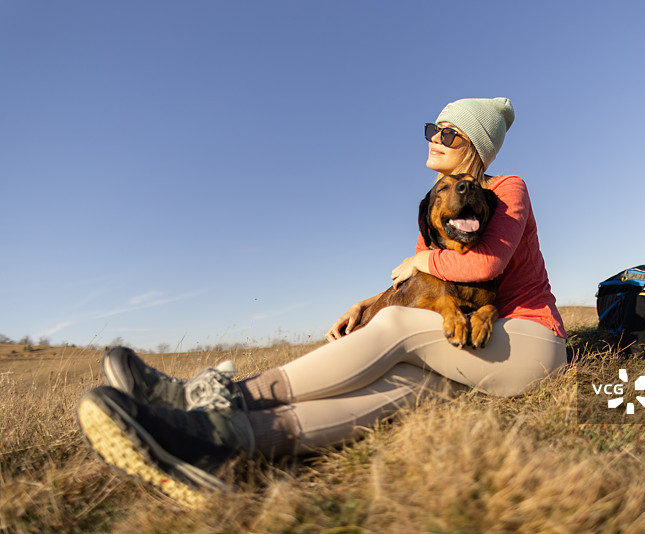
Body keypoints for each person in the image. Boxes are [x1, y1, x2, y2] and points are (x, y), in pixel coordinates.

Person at [76, 97, 568, 506]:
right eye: (432, 130)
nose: (434, 140)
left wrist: (415, 269)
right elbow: (417, 278)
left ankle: (206, 399)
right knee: (394, 388)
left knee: (396, 325)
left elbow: (484, 267)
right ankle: (216, 444)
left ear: (476, 147)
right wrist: (366, 302)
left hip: (530, 342)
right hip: (473, 360)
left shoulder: (506, 189)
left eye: (449, 134)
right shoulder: (438, 220)